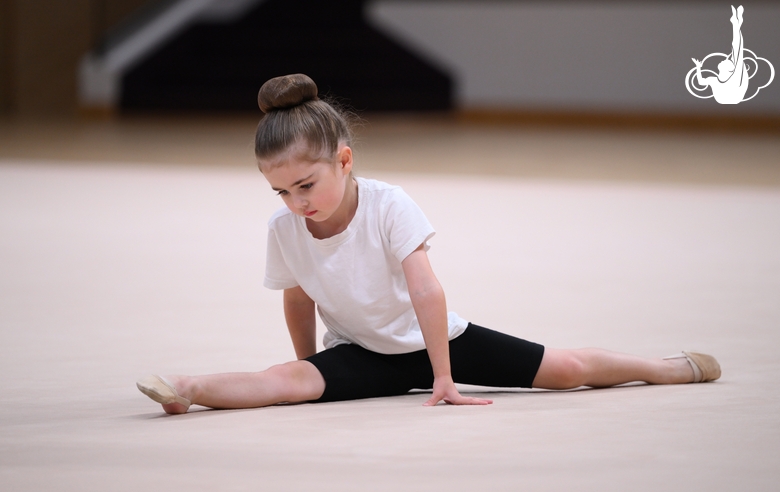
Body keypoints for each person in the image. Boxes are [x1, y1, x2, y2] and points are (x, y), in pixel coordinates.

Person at [136, 74, 721, 415]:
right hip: (362, 351)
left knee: (565, 369)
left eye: (306, 185)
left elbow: (425, 288)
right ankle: (188, 388)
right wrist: (307, 362)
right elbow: (297, 297)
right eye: (280, 190)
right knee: (282, 382)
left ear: (344, 159)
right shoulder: (284, 227)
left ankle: (666, 368)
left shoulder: (388, 205)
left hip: (436, 341)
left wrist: (443, 376)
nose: (296, 203)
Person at [692, 5, 748, 104]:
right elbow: (701, 82)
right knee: (736, 50)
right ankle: (736, 23)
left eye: (727, 61)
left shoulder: (734, 78)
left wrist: (736, 25)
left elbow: (737, 49)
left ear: (729, 69)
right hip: (726, 99)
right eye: (728, 60)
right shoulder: (714, 80)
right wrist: (698, 67)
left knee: (737, 50)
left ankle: (736, 23)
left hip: (733, 97)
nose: (725, 59)